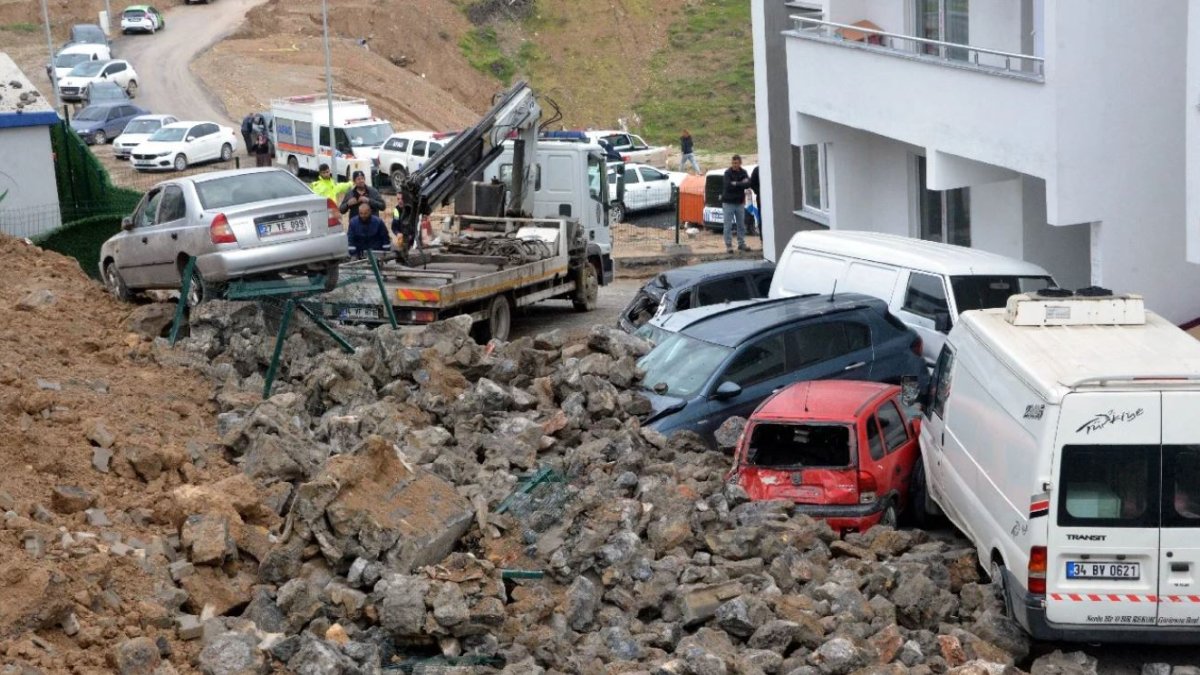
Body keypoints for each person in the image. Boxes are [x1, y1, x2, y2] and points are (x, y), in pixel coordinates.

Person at [722, 155, 752, 253]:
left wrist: (736, 183)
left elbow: (748, 184)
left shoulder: (744, 172)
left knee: (741, 225)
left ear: (740, 163)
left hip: (739, 203)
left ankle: (741, 244)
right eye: (733, 163)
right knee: (728, 225)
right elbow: (728, 186)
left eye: (736, 163)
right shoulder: (727, 173)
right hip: (728, 203)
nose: (734, 165)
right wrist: (741, 183)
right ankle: (729, 245)